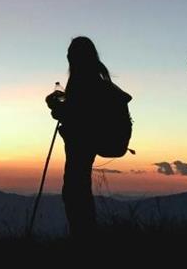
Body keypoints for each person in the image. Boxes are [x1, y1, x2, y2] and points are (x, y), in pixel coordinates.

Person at [45, 36, 128, 240]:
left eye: (70, 55)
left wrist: (55, 107)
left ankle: (83, 240)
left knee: (75, 190)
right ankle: (85, 238)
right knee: (77, 188)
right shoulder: (97, 81)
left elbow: (79, 117)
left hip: (83, 143)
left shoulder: (84, 82)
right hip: (90, 141)